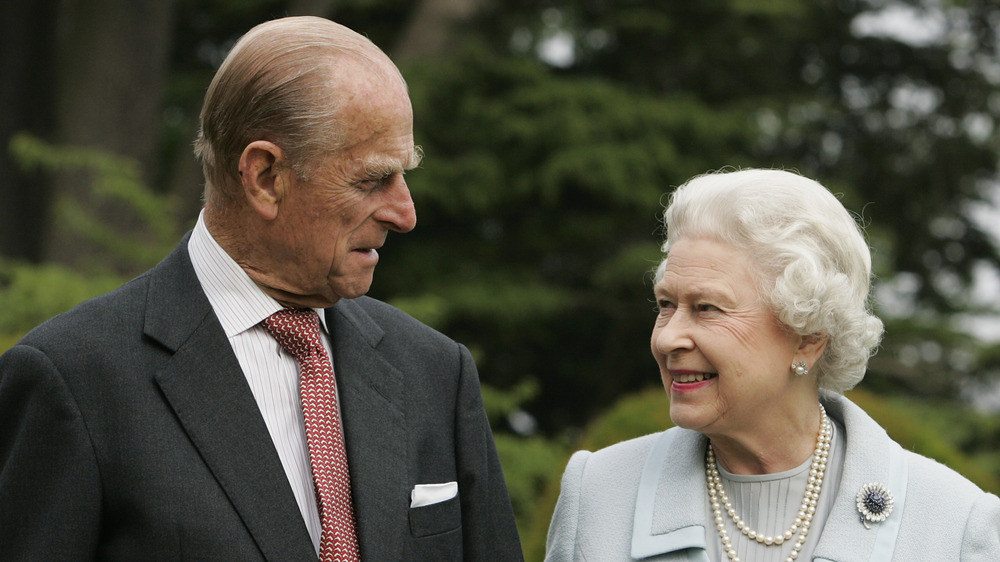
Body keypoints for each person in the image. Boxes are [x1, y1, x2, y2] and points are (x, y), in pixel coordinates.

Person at [0, 16, 522, 561]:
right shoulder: (71, 381)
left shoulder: (436, 373)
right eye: (372, 179)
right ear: (266, 176)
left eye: (404, 175)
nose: (404, 214)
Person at [545, 168, 1000, 561]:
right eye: (666, 304)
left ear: (807, 339)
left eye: (707, 308)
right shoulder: (598, 494)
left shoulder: (954, 523)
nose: (667, 338)